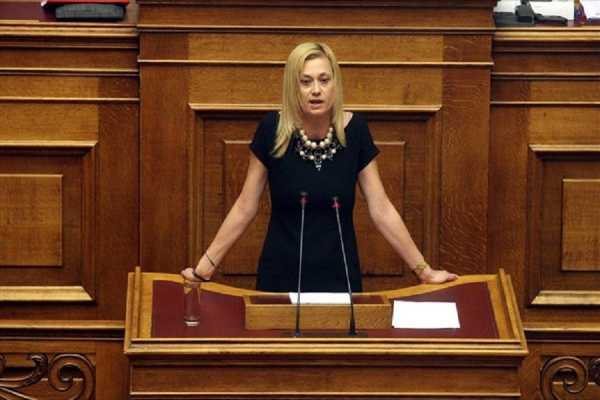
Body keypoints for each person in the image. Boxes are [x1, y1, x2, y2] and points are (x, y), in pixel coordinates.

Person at [181, 42, 458, 291]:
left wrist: (424, 271)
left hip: (340, 278)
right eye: (305, 82)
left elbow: (381, 208)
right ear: (293, 87)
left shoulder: (355, 131)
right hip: (280, 278)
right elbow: (245, 206)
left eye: (324, 80)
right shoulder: (272, 129)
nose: (316, 90)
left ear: (335, 84)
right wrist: (204, 268)